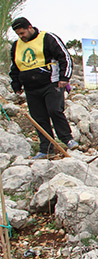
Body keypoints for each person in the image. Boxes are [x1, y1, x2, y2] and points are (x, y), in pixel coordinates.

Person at [9, 17, 78, 158]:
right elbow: (14, 66)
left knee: (54, 110)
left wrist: (65, 78)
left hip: (51, 83)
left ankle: (67, 139)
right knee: (38, 117)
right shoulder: (16, 45)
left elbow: (64, 57)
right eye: (18, 34)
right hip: (31, 88)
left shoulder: (47, 38)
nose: (21, 37)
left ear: (30, 27)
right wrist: (16, 84)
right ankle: (46, 148)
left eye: (22, 33)